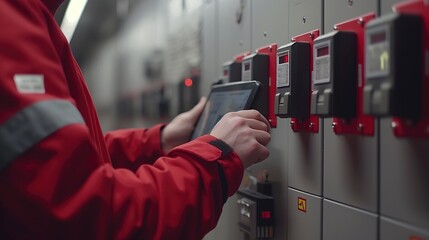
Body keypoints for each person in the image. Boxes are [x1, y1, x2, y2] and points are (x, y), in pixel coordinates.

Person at [0, 0, 271, 239]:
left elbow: (64, 162)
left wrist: (157, 141)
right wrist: (217, 159)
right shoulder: (12, 17)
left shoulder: (34, 17)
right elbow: (92, 219)